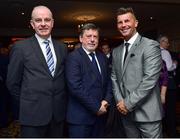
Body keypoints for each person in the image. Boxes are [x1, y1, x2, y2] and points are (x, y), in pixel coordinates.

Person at [6, 5, 67, 137]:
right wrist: (26, 105)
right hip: (32, 116)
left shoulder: (62, 47)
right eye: (38, 20)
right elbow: (12, 83)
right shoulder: (20, 48)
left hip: (57, 115)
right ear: (32, 24)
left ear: (52, 23)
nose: (43, 24)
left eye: (47, 20)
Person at [111, 7, 163, 138]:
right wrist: (120, 103)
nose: (123, 25)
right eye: (120, 22)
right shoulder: (116, 51)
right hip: (125, 114)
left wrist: (127, 103)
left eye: (127, 21)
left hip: (147, 114)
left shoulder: (150, 45)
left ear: (136, 23)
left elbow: (150, 79)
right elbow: (114, 79)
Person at [65, 23, 112, 137]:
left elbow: (109, 82)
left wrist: (106, 100)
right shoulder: (73, 58)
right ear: (81, 38)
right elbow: (75, 87)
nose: (92, 40)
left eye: (95, 37)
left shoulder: (102, 57)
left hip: (101, 117)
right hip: (80, 119)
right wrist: (96, 107)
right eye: (88, 36)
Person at [158, 35, 178, 137]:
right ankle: (172, 133)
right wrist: (175, 64)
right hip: (169, 84)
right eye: (167, 42)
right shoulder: (165, 52)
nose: (168, 44)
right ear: (162, 42)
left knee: (163, 108)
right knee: (171, 109)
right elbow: (169, 68)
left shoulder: (155, 52)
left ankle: (165, 130)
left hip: (159, 85)